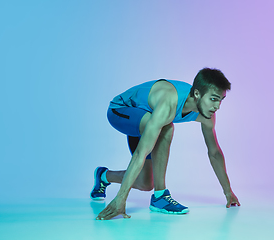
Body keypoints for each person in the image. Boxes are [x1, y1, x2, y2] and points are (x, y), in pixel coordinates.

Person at [91, 68, 240, 220]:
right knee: (166, 127)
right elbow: (140, 153)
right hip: (121, 110)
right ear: (197, 94)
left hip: (149, 119)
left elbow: (214, 153)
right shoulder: (168, 104)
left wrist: (228, 191)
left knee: (146, 182)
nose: (217, 106)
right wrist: (120, 199)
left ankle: (104, 176)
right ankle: (160, 195)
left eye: (221, 100)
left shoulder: (207, 115)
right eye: (213, 99)